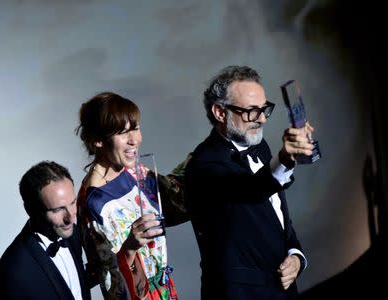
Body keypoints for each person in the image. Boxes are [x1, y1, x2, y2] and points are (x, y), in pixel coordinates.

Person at [184, 65, 313, 300]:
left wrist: (296, 256)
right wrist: (285, 158)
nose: (262, 119)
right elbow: (250, 190)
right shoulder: (204, 165)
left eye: (264, 109)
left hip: (283, 292)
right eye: (252, 111)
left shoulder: (259, 147)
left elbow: (276, 216)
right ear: (220, 113)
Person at [75, 92, 188, 300]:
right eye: (122, 132)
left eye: (135, 128)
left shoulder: (133, 172)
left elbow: (178, 200)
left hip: (165, 292)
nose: (134, 140)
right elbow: (110, 282)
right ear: (98, 140)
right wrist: (129, 248)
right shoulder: (95, 203)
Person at [0, 161, 92, 300]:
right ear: (30, 210)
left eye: (73, 203)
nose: (71, 218)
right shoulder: (11, 274)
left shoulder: (71, 233)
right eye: (58, 209)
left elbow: (72, 287)